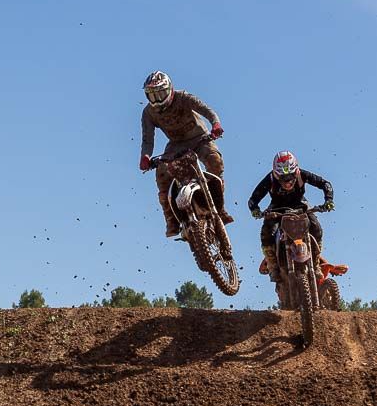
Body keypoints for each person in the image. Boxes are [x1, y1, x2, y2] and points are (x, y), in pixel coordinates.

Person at [139, 71, 235, 236]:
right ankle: (170, 219)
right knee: (161, 174)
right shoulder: (149, 113)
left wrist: (216, 124)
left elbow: (206, 110)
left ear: (169, 89)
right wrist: (145, 157)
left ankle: (220, 207)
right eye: (152, 96)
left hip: (199, 138)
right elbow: (148, 139)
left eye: (160, 93)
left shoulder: (183, 97)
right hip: (176, 145)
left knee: (214, 160)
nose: (157, 100)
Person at [248, 150, 334, 280]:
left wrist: (328, 200)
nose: (287, 182)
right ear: (276, 174)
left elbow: (325, 184)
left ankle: (315, 264)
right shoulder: (270, 179)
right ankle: (272, 266)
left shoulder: (302, 175)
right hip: (277, 210)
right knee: (267, 232)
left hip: (301, 207)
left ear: (296, 171)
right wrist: (255, 210)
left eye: (290, 176)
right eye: (283, 178)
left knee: (316, 228)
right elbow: (253, 199)